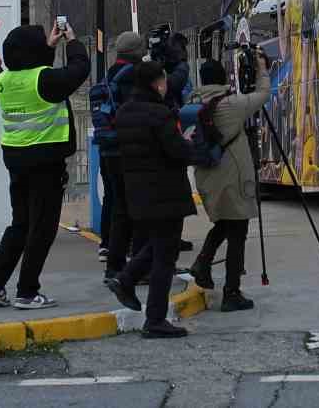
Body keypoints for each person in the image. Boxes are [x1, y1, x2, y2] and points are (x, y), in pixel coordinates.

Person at [0, 19, 89, 310]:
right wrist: (72, 42)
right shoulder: (45, 80)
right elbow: (79, 70)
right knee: (42, 228)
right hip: (46, 161)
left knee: (21, 223)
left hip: (16, 159)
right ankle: (27, 291)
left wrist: (48, 47)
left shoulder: (3, 81)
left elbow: (36, 73)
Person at [106, 59, 197, 338]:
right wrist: (189, 143)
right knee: (165, 257)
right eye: (164, 80)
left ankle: (126, 278)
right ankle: (155, 319)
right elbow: (175, 151)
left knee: (159, 244)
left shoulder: (124, 112)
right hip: (165, 191)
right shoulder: (161, 114)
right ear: (157, 84)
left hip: (138, 190)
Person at [188, 52, 273, 310]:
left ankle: (202, 264)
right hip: (232, 177)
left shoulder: (192, 102)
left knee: (225, 223)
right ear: (223, 78)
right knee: (237, 231)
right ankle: (231, 292)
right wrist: (261, 68)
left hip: (206, 175)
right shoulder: (231, 104)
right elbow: (263, 94)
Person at [97, 31, 146, 279]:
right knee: (138, 208)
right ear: (137, 51)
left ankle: (114, 266)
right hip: (129, 149)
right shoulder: (133, 76)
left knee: (120, 208)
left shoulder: (109, 75)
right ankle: (137, 267)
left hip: (108, 149)